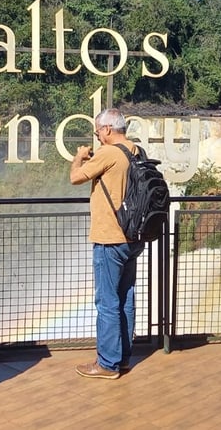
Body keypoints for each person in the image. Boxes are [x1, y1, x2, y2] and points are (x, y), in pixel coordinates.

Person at [69, 107, 143, 380]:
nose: (97, 136)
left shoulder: (109, 153)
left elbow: (75, 178)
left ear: (108, 129)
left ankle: (107, 364)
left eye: (98, 131)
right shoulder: (135, 150)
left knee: (107, 301)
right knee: (126, 298)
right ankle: (123, 358)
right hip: (133, 236)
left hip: (109, 237)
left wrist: (78, 157)